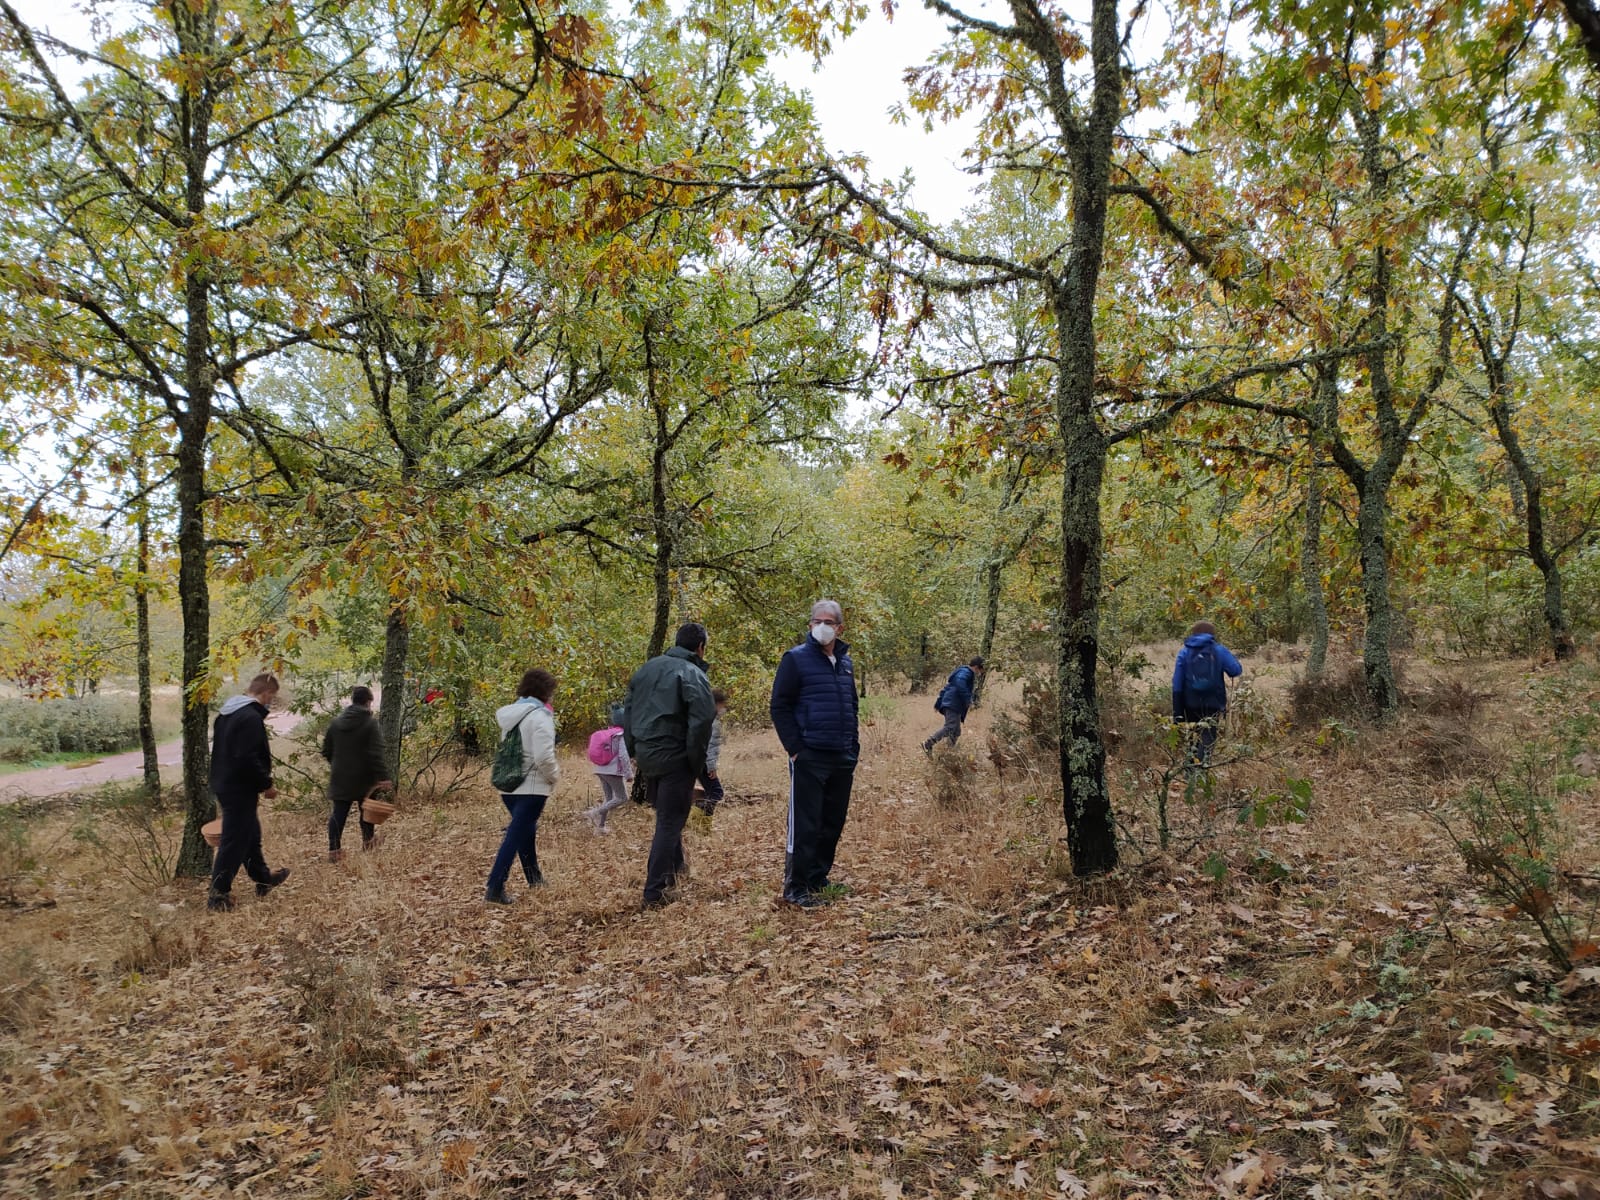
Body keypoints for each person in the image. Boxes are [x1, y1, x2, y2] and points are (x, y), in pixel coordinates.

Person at [770, 600, 859, 909]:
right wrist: (796, 750)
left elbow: (852, 705)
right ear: (810, 625)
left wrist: (853, 746)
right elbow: (779, 706)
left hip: (841, 756)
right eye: (817, 621)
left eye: (829, 621)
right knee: (805, 824)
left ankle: (818, 879)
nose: (822, 626)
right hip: (810, 756)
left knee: (832, 821)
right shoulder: (795, 659)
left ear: (840, 627)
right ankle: (796, 887)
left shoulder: (845, 663)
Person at [623, 622, 716, 910]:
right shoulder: (692, 674)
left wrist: (632, 749)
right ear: (701, 648)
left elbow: (627, 711)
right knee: (669, 822)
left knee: (667, 815)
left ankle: (678, 869)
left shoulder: (646, 669)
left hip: (648, 756)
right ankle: (655, 892)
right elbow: (701, 722)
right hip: (676, 757)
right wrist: (695, 761)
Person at [207, 673, 290, 912]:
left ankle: (263, 879)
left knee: (250, 833)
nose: (269, 703)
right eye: (270, 698)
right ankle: (218, 894)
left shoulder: (227, 713)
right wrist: (266, 784)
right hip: (238, 787)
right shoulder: (250, 717)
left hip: (225, 783)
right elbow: (247, 757)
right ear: (265, 694)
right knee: (234, 840)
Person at [486, 669, 560, 905]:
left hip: (509, 786)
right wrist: (554, 777)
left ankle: (534, 878)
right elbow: (544, 757)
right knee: (515, 835)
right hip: (532, 786)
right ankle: (495, 887)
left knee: (525, 832)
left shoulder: (512, 715)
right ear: (545, 692)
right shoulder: (540, 717)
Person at [321, 685, 392, 862]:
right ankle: (368, 842)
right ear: (368, 702)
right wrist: (383, 777)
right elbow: (376, 753)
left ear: (353, 701)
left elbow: (326, 750)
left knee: (339, 814)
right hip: (365, 778)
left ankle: (334, 850)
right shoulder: (370, 723)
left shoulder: (336, 723)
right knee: (367, 811)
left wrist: (337, 765)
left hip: (340, 777)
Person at [1171, 620, 1243, 770]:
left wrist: (1177, 713)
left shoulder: (1184, 652)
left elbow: (1177, 683)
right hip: (1213, 703)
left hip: (1189, 704)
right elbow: (1235, 670)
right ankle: (1201, 774)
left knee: (1193, 739)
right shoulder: (1219, 650)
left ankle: (1190, 773)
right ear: (1212, 634)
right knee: (1208, 739)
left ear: (1193, 633)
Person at [582, 703, 634, 833]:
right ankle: (594, 812)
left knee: (609, 798)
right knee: (622, 798)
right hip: (612, 771)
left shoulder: (609, 732)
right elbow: (623, 756)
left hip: (600, 769)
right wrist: (629, 774)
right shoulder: (620, 735)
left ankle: (600, 828)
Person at [923, 656, 985, 752]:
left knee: (956, 731)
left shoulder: (962, 672)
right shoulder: (966, 673)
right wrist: (968, 699)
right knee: (950, 727)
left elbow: (947, 688)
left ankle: (949, 752)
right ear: (977, 667)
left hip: (951, 703)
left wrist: (938, 703)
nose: (979, 673)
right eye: (981, 670)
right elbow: (960, 683)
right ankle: (928, 743)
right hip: (953, 705)